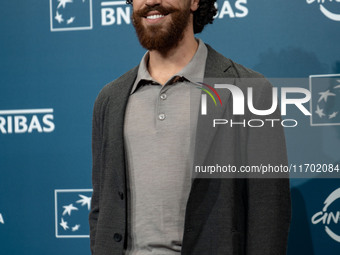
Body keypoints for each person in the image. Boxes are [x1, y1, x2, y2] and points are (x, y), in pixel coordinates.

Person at [89, 0, 291, 254]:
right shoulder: (110, 99)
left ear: (195, 1)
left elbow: (268, 213)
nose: (150, 1)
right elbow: (101, 206)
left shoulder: (248, 89)